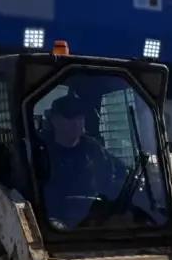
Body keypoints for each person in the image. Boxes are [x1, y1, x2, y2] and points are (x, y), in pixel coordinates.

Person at [39, 93, 120, 226]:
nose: (76, 123)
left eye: (80, 117)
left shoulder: (95, 150)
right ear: (54, 120)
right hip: (54, 225)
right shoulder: (41, 152)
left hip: (94, 222)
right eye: (70, 117)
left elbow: (113, 181)